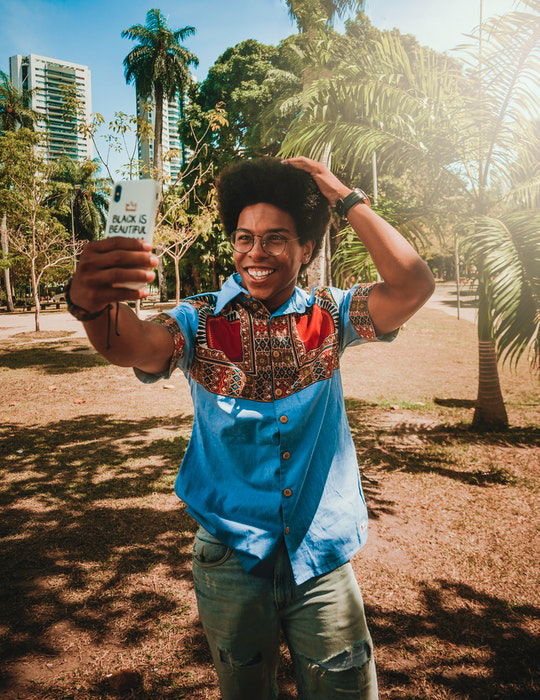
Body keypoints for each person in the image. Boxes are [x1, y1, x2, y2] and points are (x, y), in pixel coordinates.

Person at [67, 156, 435, 699]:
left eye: (276, 239)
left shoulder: (332, 317)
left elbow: (412, 285)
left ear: (307, 250)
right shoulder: (198, 320)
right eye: (245, 238)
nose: (256, 253)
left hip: (321, 556)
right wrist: (89, 305)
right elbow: (130, 345)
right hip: (231, 557)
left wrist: (341, 195)